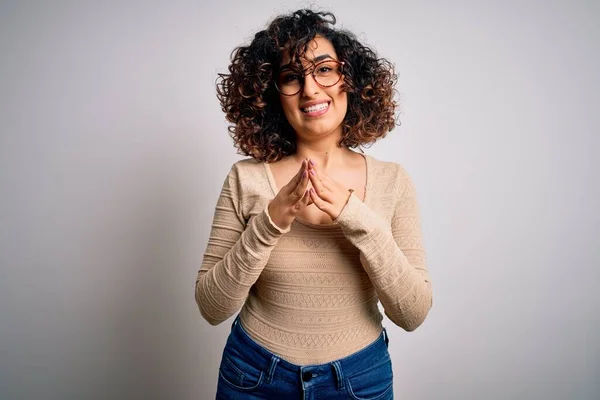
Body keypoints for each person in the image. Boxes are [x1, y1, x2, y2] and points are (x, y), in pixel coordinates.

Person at [195, 9, 432, 399]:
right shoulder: (246, 179)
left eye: (324, 69)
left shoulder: (393, 181)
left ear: (351, 80)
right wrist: (270, 221)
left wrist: (358, 218)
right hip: (254, 377)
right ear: (273, 95)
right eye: (291, 77)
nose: (309, 89)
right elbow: (211, 307)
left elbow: (412, 314)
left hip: (359, 380)